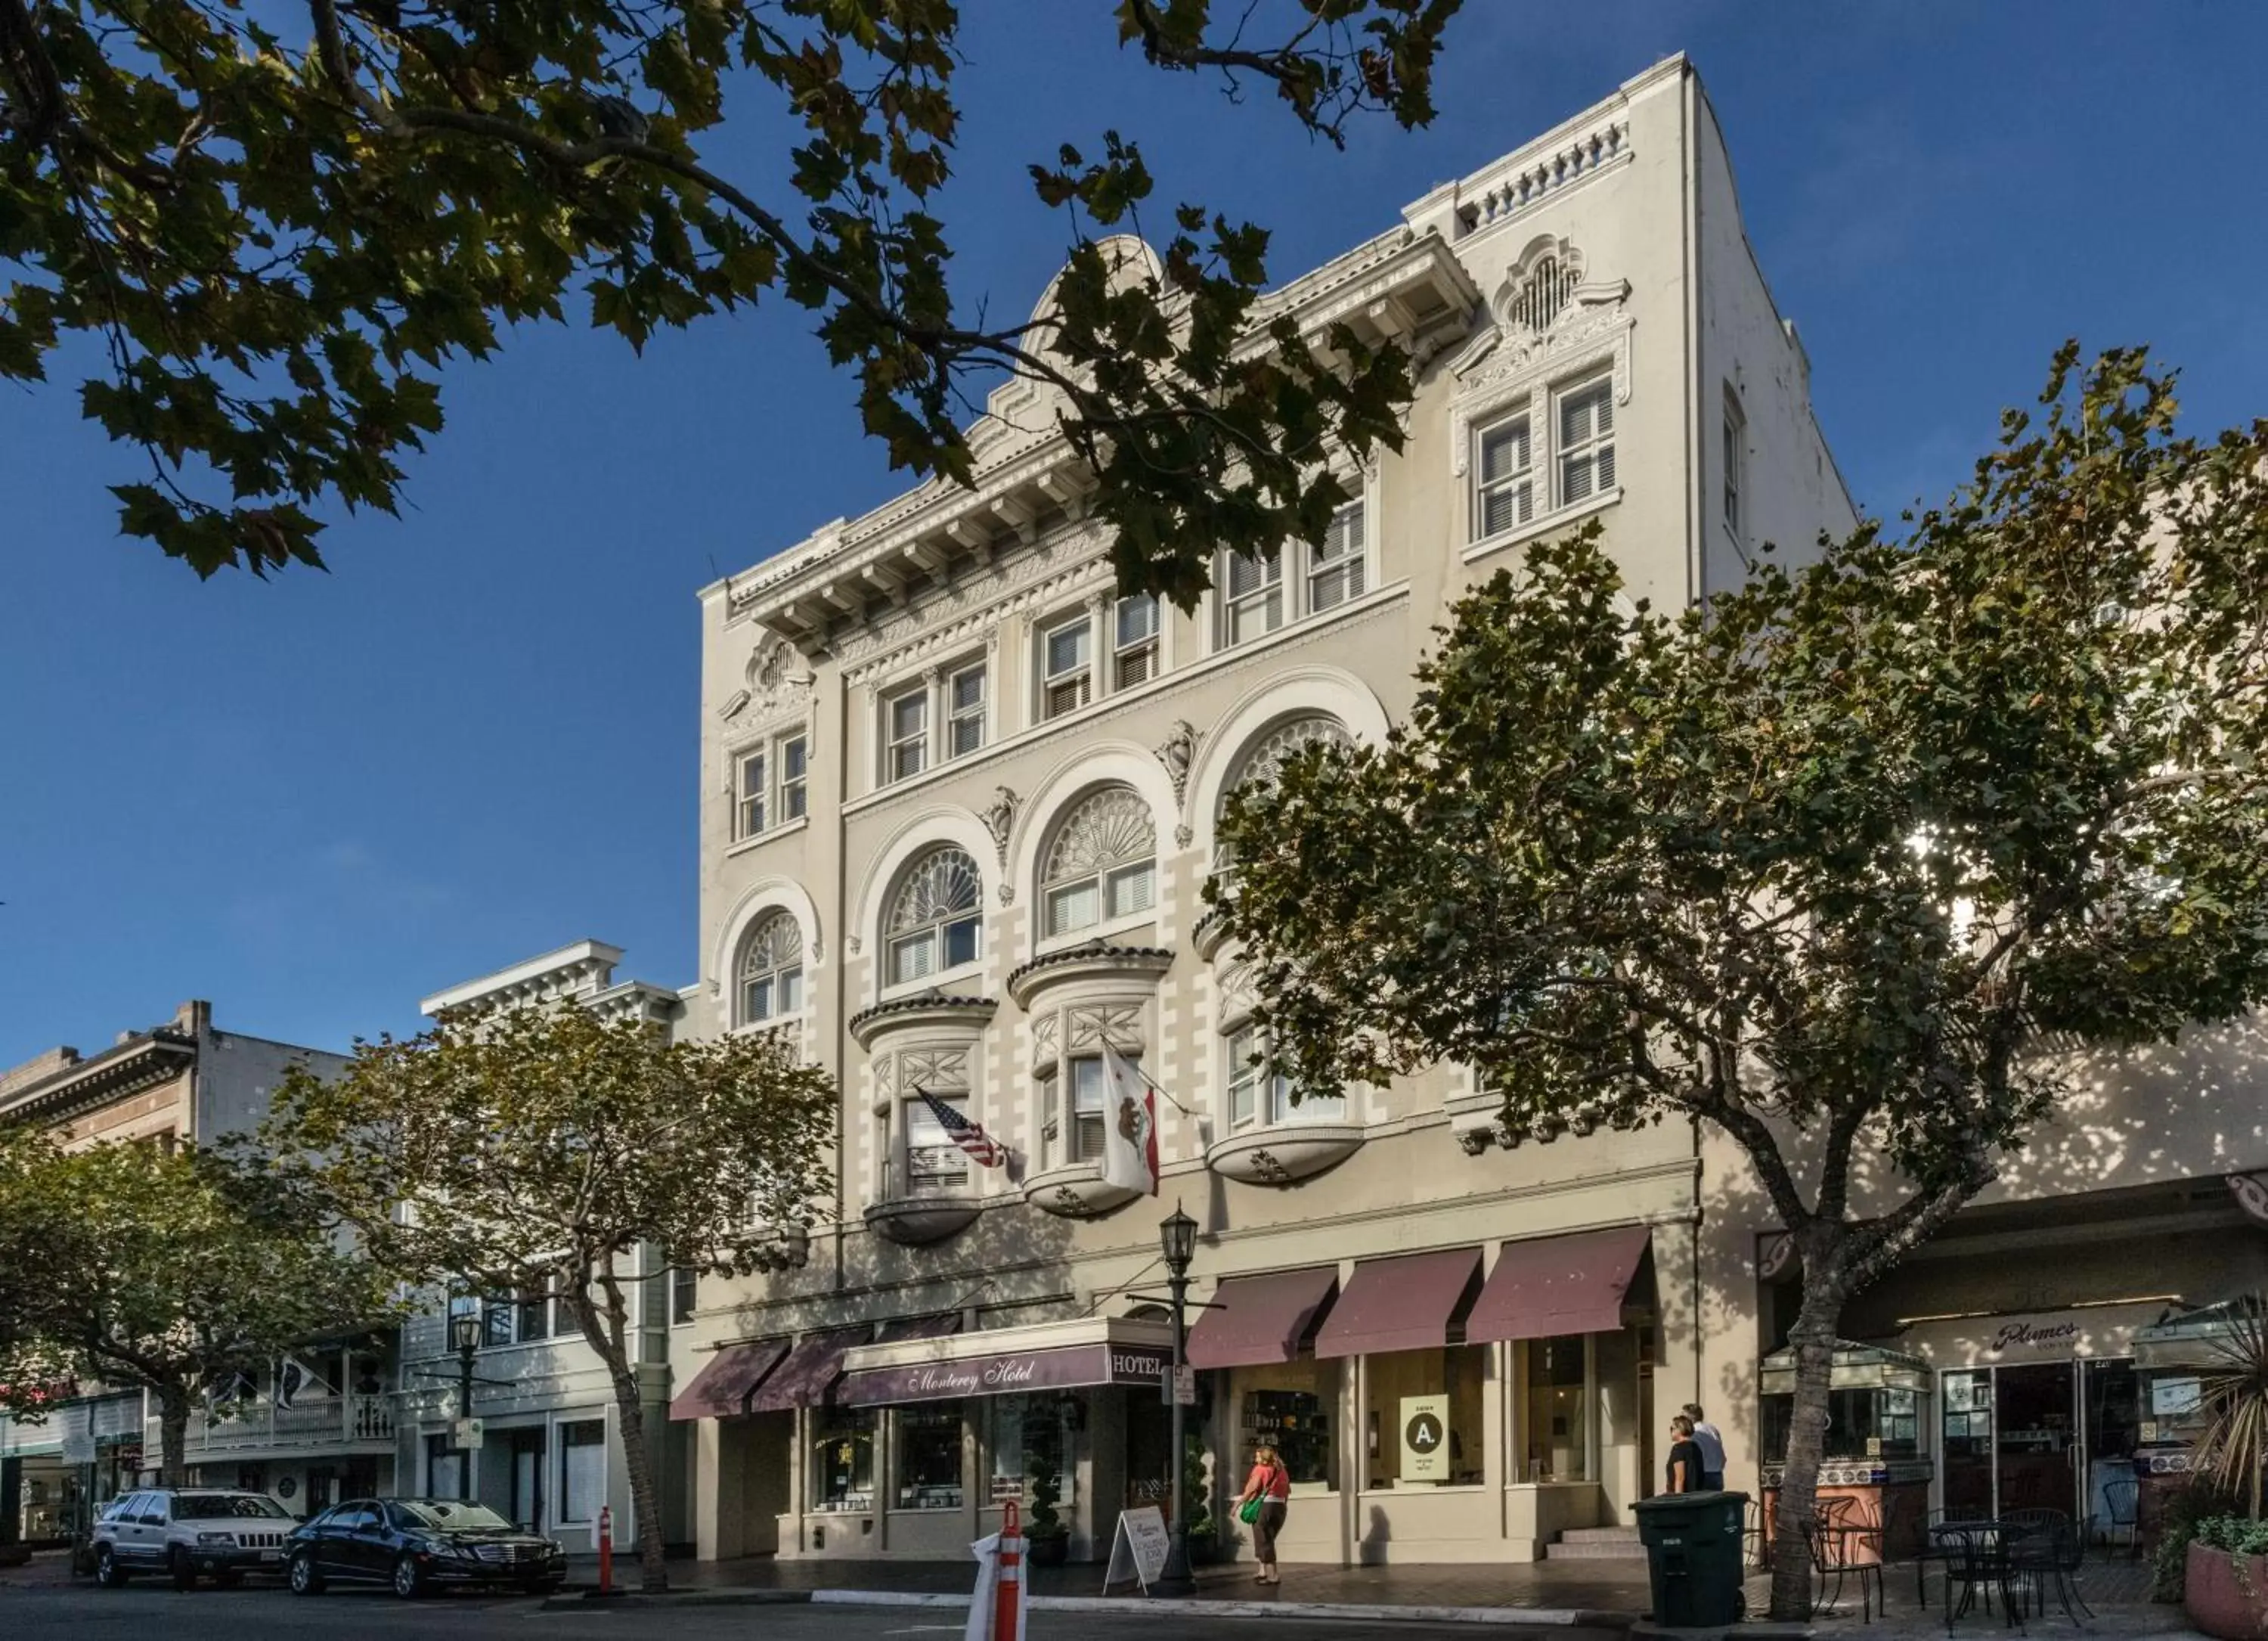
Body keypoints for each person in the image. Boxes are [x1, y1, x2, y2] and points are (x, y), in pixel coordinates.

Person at [1239, 1442, 1291, 1585]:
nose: (1255, 1459)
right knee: (1268, 1538)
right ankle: (1263, 1571)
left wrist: (1238, 1504)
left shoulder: (1260, 1469)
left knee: (1264, 1540)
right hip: (1280, 1507)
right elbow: (1288, 1490)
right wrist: (1284, 1506)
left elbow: (1252, 1489)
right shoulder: (1282, 1471)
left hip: (1266, 1506)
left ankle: (1273, 1576)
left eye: (1257, 1456)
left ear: (1263, 1458)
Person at [1683, 1401, 1726, 1491]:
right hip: (1717, 1473)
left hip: (1703, 1474)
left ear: (1689, 1418)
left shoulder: (1693, 1432)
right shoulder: (1712, 1429)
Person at [1664, 1415, 1705, 1494]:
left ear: (1680, 1429)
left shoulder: (1678, 1449)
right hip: (1696, 1496)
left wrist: (1678, 1501)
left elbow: (1680, 1478)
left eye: (1673, 1428)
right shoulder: (1696, 1447)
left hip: (1684, 1498)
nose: (1671, 1431)